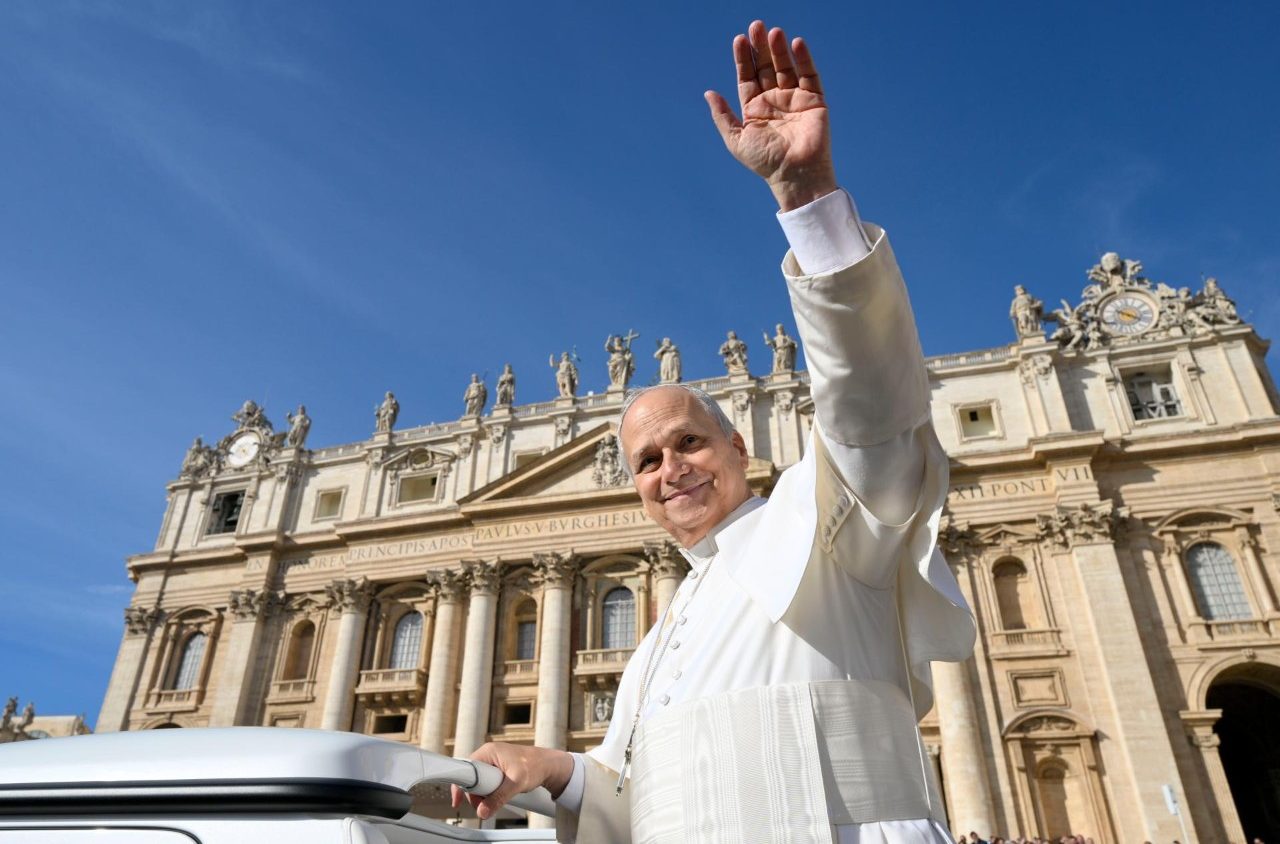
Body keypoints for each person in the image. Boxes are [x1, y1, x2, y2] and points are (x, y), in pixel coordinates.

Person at [452, 20, 975, 843]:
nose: (672, 469)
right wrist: (554, 769)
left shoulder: (829, 533)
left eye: (690, 442)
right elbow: (645, 804)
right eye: (648, 461)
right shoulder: (657, 650)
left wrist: (807, 200)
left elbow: (873, 408)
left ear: (741, 448)